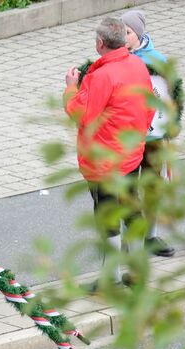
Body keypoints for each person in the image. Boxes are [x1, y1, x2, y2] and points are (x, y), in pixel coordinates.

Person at [63, 17, 154, 288]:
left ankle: (110, 278)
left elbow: (81, 114)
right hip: (131, 154)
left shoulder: (102, 75)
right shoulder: (137, 65)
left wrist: (70, 86)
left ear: (100, 43)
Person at [122, 9, 177, 258]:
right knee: (128, 188)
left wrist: (171, 124)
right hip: (129, 137)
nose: (123, 37)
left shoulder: (157, 61)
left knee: (154, 185)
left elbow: (172, 94)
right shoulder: (117, 59)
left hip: (155, 136)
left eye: (128, 32)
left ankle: (151, 237)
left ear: (139, 34)